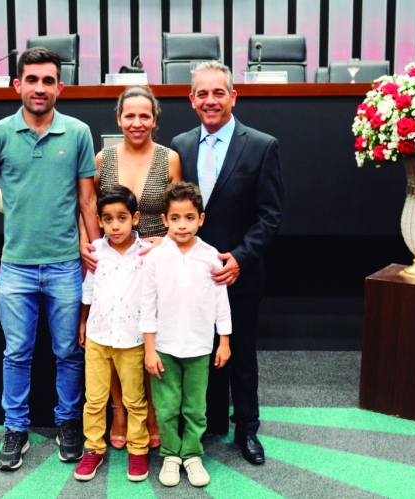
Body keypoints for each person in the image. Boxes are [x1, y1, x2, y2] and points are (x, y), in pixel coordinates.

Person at [0, 46, 102, 471]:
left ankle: (68, 423)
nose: (39, 88)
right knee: (16, 353)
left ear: (60, 87)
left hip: (65, 266)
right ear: (17, 85)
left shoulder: (78, 132)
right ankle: (16, 429)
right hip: (16, 267)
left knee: (69, 352)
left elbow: (87, 201)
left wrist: (99, 255)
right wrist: (8, 205)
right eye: (32, 80)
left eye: (48, 81)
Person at [170, 61, 284, 466]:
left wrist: (240, 257)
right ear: (191, 100)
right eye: (202, 93)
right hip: (192, 277)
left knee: (241, 356)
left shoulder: (261, 145)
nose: (211, 100)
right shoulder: (180, 145)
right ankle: (210, 421)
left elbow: (270, 215)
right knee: (200, 352)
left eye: (218, 92)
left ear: (233, 96)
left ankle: (247, 429)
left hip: (240, 275)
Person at [82, 86, 181, 450]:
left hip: (156, 263)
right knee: (113, 337)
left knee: (147, 340)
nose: (137, 122)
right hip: (112, 260)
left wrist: (165, 243)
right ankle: (119, 412)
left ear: (155, 119)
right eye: (130, 115)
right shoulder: (103, 159)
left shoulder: (169, 158)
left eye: (144, 116)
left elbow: (179, 210)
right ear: (118, 119)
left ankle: (150, 412)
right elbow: (88, 205)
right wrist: (87, 245)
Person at [141, 182, 231, 488]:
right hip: (163, 348)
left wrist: (224, 341)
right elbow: (147, 304)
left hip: (199, 347)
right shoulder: (155, 257)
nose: (182, 225)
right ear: (164, 219)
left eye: (189, 217)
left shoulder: (210, 256)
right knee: (167, 407)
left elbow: (221, 302)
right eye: (175, 218)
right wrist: (149, 348)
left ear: (201, 219)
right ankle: (170, 454)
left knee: (195, 407)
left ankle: (192, 454)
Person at [74, 185, 150, 482]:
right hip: (98, 337)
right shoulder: (96, 251)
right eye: (108, 219)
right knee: (94, 400)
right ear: (100, 221)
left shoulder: (147, 253)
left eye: (122, 218)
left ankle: (138, 449)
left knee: (135, 400)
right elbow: (89, 290)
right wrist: (82, 323)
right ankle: (93, 448)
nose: (115, 225)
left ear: (135, 218)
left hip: (132, 340)